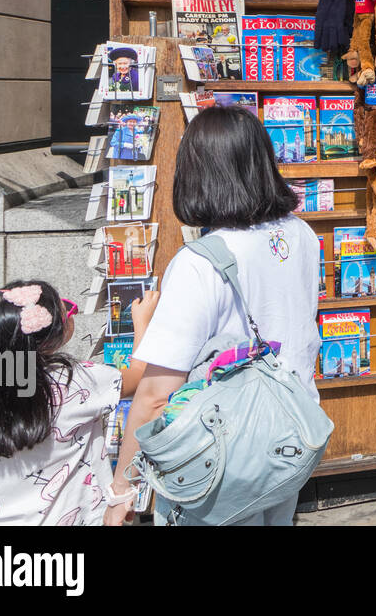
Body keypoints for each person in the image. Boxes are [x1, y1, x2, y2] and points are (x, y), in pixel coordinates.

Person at [106, 106, 322, 527]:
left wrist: (123, 491)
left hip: (219, 457)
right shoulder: (302, 234)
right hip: (289, 440)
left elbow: (154, 395)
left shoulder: (198, 263)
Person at [0, 280, 156, 526]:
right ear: (47, 342)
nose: (74, 313)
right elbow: (139, 376)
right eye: (68, 311)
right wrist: (143, 321)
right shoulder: (69, 382)